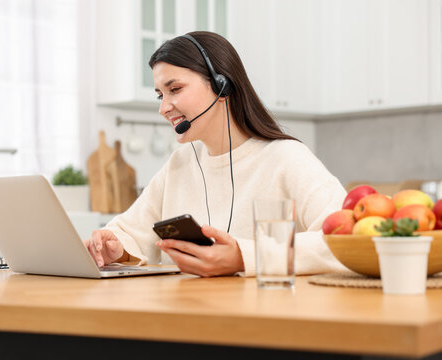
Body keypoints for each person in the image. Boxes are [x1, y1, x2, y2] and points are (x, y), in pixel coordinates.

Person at [84, 31, 347, 277]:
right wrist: (116, 246)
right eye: (159, 95)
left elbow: (344, 240)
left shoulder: (287, 158)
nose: (163, 108)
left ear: (222, 86)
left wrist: (244, 258)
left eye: (174, 89)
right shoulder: (180, 162)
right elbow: (132, 230)